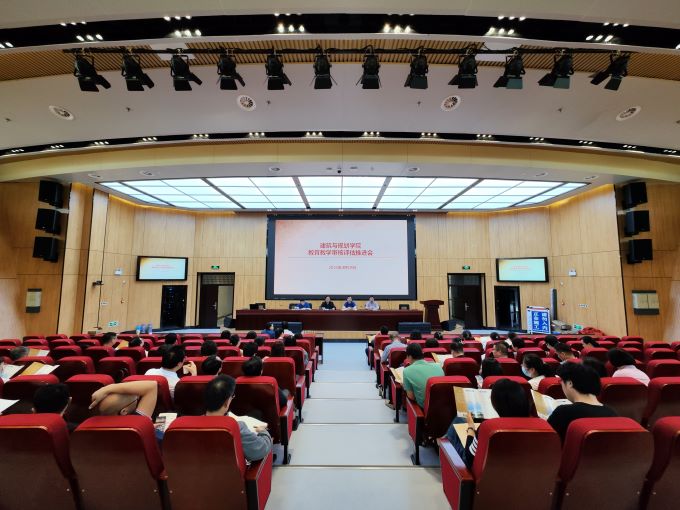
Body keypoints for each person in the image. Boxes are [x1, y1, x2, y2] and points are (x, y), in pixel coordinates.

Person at [445, 379, 530, 468]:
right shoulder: (536, 425)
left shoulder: (488, 428)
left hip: (477, 470)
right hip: (515, 469)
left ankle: (443, 442)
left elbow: (469, 458)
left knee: (459, 420)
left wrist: (471, 428)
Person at [204, 375, 273, 462]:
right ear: (226, 402)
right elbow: (261, 450)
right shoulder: (236, 428)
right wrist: (263, 432)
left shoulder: (190, 426)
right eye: (232, 396)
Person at [547, 362, 618, 442]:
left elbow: (546, 440)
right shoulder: (612, 413)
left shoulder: (563, 412)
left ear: (570, 383)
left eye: (561, 382)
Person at [402, 343, 444, 407]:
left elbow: (411, 397)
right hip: (444, 404)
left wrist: (405, 386)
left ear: (409, 357)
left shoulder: (407, 370)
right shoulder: (438, 366)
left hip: (425, 408)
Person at [90, 379, 158, 419]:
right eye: (135, 398)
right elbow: (152, 385)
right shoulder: (138, 423)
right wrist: (107, 388)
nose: (137, 396)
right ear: (124, 411)